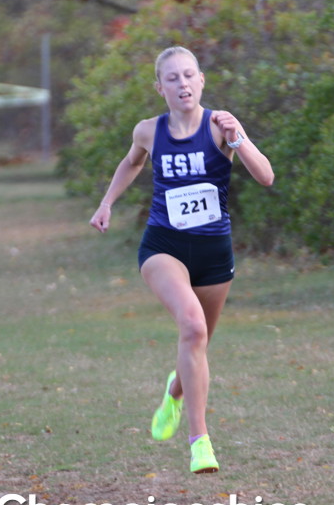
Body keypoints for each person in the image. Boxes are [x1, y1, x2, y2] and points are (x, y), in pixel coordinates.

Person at [89, 46, 274, 473]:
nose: (182, 84)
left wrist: (238, 137)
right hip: (163, 247)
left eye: (189, 75)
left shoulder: (221, 127)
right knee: (191, 327)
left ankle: (174, 392)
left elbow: (265, 177)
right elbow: (131, 163)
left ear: (201, 81)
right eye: (172, 78)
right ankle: (200, 443)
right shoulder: (148, 131)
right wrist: (106, 203)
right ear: (160, 88)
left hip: (214, 253)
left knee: (198, 342)